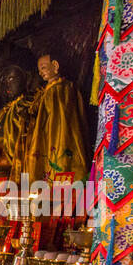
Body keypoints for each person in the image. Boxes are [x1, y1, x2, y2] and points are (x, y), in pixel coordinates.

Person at [23, 53, 89, 183]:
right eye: (39, 70)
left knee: (59, 163)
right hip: (45, 137)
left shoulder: (61, 88)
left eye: (43, 68)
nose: (41, 73)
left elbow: (61, 121)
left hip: (59, 137)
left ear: (55, 66)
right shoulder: (48, 90)